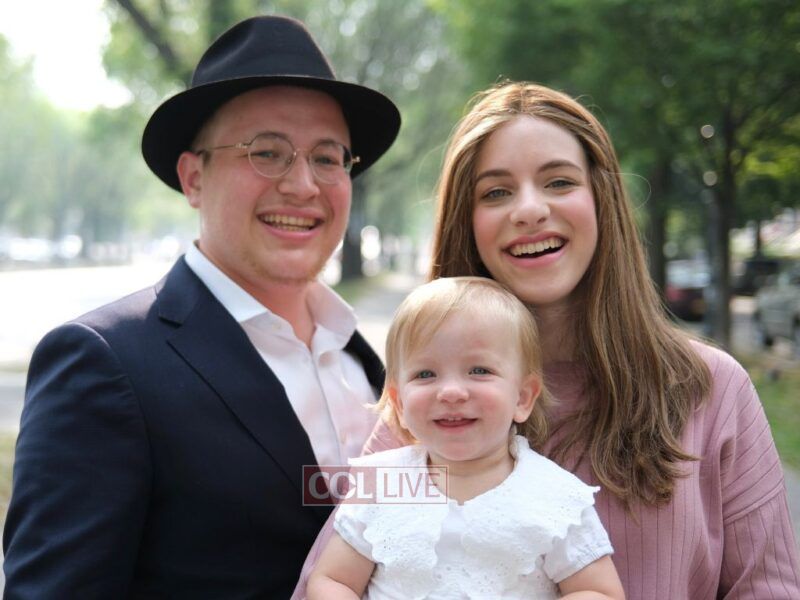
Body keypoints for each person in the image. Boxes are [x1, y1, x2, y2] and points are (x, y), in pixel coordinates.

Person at [295, 81, 800, 599]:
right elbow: (326, 582)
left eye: (558, 182)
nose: (530, 210)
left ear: (600, 199)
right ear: (468, 224)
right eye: (496, 192)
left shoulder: (712, 390)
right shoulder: (426, 410)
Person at [3, 15, 400, 598]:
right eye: (267, 152)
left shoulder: (363, 359)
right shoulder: (105, 362)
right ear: (193, 177)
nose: (303, 185)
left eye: (328, 157)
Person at [307, 276, 625, 599]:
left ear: (522, 398)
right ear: (399, 404)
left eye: (479, 370)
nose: (452, 392)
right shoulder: (383, 485)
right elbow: (334, 581)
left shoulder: (555, 498)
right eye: (426, 374)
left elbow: (597, 591)